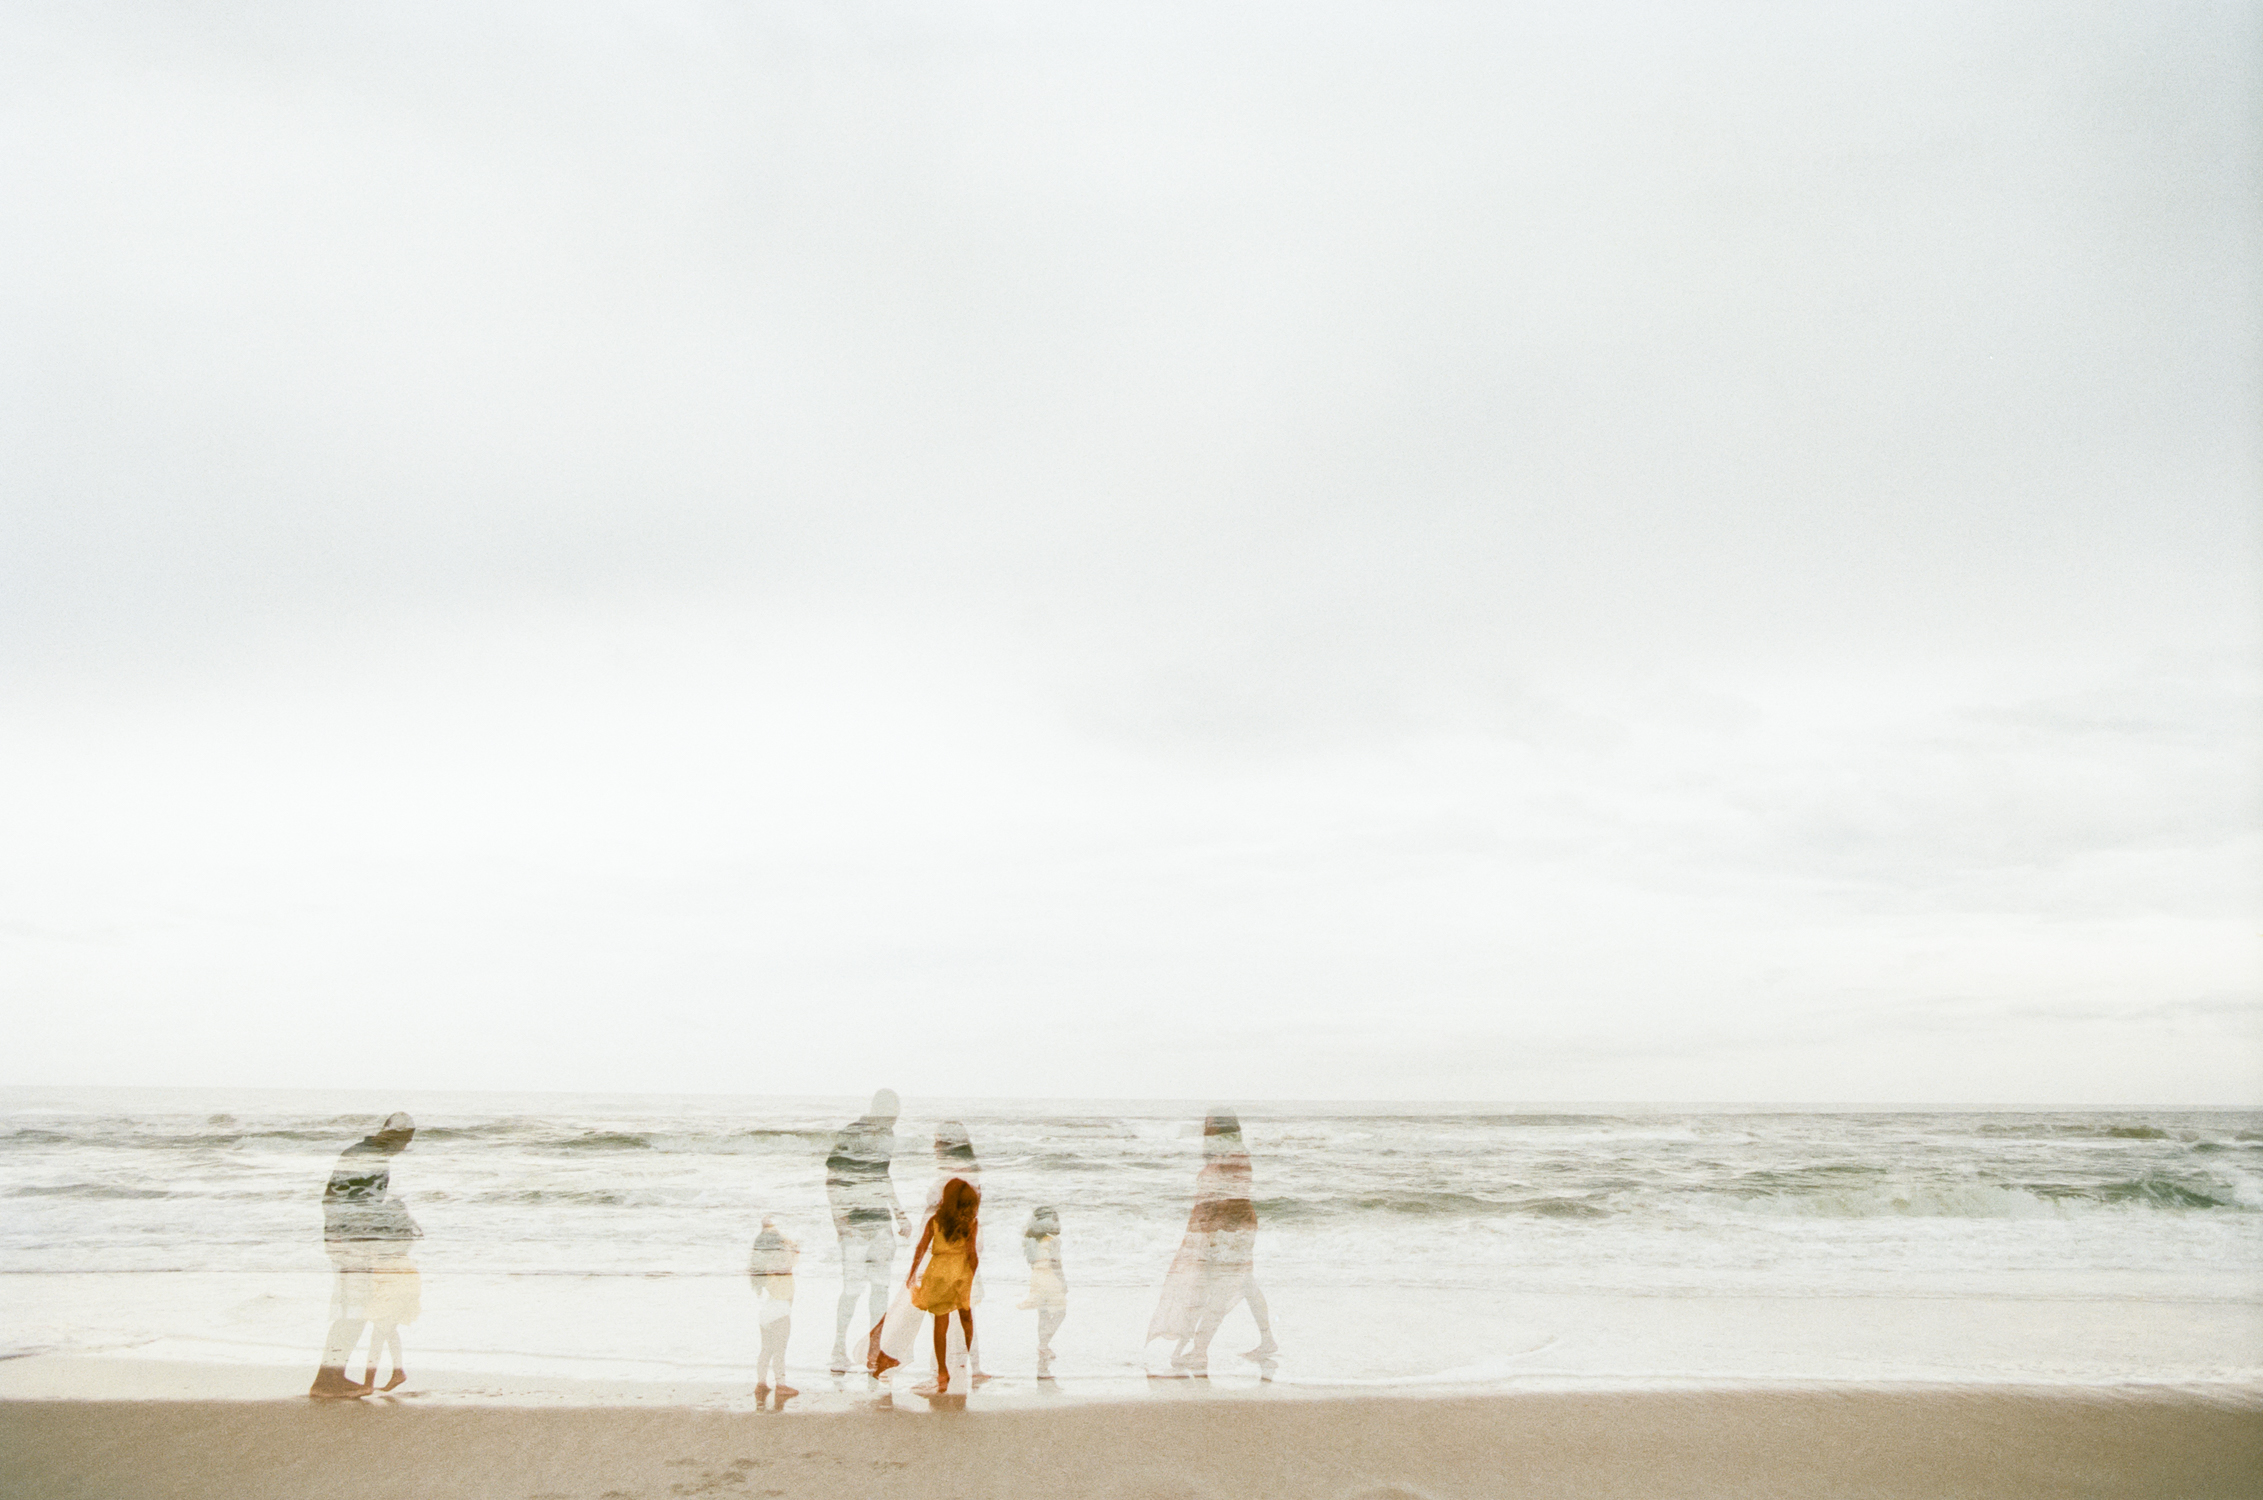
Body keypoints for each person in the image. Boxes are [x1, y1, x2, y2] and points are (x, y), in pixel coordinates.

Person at [1146, 1110, 1277, 1376]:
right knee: (1245, 1283)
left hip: (1230, 1230)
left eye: (1213, 1131)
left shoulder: (1233, 1158)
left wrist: (1207, 1238)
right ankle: (1267, 1340)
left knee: (1219, 1289)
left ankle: (1200, 1351)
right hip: (1231, 1228)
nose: (1208, 1136)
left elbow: (1226, 1201)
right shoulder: (1228, 1157)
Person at [309, 1111, 421, 1399]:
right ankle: (326, 1382)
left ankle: (333, 1376)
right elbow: (363, 1208)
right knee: (354, 1312)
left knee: (352, 1311)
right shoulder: (373, 1159)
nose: (405, 1146)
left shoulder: (358, 1152)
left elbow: (335, 1200)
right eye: (406, 1140)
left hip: (341, 1240)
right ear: (399, 1138)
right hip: (352, 1245)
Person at [826, 1090, 909, 1375]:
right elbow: (833, 1178)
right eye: (893, 1112)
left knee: (880, 1289)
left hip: (880, 1223)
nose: (897, 1118)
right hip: (854, 1226)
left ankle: (875, 1350)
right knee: (851, 1289)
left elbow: (882, 1177)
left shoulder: (888, 1138)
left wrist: (900, 1215)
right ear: (880, 1110)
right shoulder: (850, 1134)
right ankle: (838, 1348)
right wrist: (840, 1220)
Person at [881, 1176, 979, 1396]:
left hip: (937, 1275)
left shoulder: (935, 1220)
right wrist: (970, 1278)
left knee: (940, 1324)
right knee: (966, 1318)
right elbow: (972, 1254)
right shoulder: (971, 1223)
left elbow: (921, 1249)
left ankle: (942, 1372)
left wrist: (912, 1274)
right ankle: (967, 1362)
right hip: (959, 1275)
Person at [747, 1216, 800, 1405]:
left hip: (767, 1312)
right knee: (780, 1350)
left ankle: (761, 1383)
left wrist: (766, 1232)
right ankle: (781, 1384)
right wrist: (780, 1236)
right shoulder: (782, 1266)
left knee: (766, 1349)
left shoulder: (765, 1269)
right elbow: (795, 1249)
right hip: (780, 1311)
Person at [1018, 1205, 1067, 1377]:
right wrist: (1062, 1281)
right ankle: (1044, 1344)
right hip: (1051, 1276)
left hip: (1037, 1276)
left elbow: (1033, 1262)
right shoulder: (1053, 1239)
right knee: (1061, 1311)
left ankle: (1043, 1345)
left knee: (1043, 1312)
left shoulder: (1033, 1240)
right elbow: (1056, 1262)